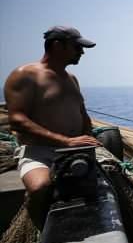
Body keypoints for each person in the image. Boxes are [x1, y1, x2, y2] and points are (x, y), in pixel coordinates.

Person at [3, 26, 100, 229]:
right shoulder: (25, 75)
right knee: (40, 187)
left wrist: (87, 142)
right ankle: (39, 233)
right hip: (39, 152)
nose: (81, 53)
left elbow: (82, 114)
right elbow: (17, 120)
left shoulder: (71, 79)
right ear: (57, 45)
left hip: (75, 151)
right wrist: (65, 141)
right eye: (77, 47)